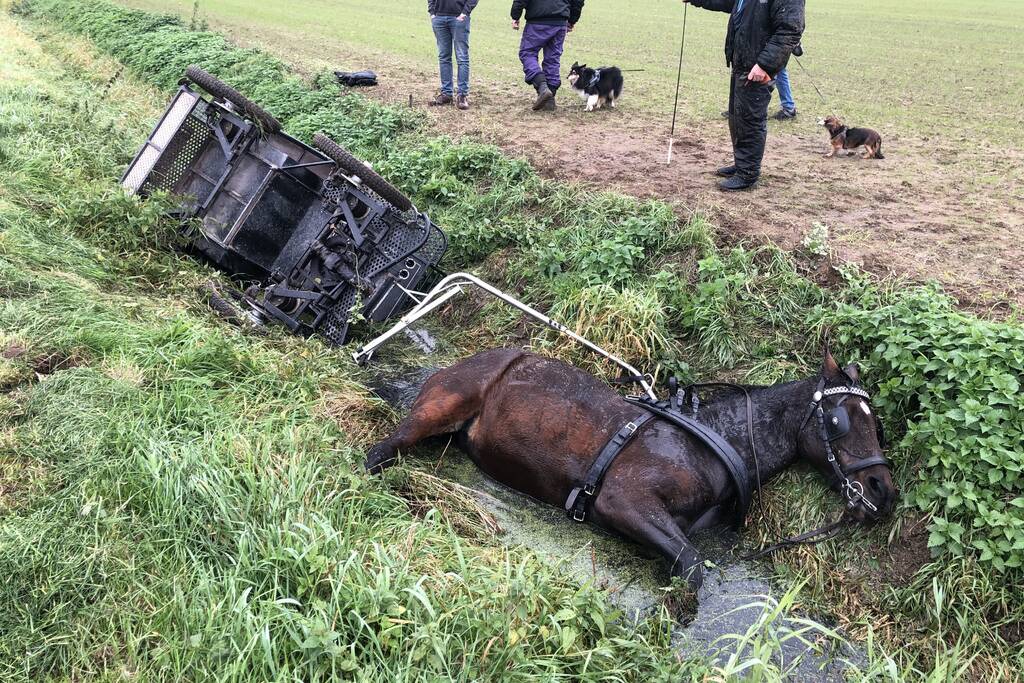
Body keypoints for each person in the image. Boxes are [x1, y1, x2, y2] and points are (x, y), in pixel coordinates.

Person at [682, 0, 805, 190]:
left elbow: (790, 30)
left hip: (758, 66)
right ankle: (742, 164)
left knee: (750, 119)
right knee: (738, 117)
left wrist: (765, 65)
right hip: (742, 61)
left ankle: (748, 174)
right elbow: (727, 1)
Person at [511, 0, 585, 111]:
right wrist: (572, 20)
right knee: (552, 59)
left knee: (527, 53)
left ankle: (542, 87)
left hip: (537, 21)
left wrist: (515, 15)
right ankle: (549, 100)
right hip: (560, 20)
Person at [428, 0, 479, 110]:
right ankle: (446, 94)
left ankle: (462, 95)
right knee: (444, 57)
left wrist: (465, 13)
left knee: (462, 57)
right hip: (439, 18)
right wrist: (432, 12)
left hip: (459, 17)